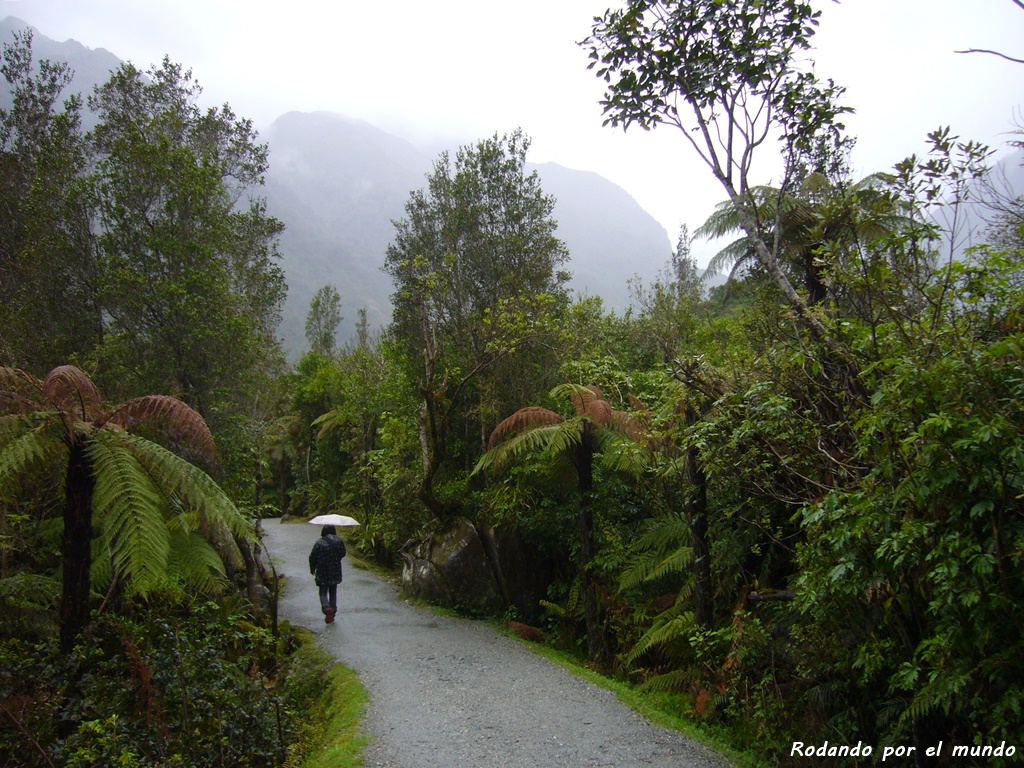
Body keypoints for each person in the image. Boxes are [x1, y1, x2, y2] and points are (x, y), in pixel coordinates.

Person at [308, 524, 347, 623]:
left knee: (323, 591)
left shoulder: (319, 542)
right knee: (333, 591)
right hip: (335, 570)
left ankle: (326, 608)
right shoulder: (339, 541)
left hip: (322, 570)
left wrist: (313, 568)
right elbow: (343, 553)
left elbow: (313, 556)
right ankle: (333, 612)